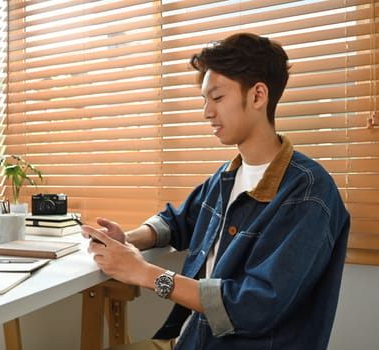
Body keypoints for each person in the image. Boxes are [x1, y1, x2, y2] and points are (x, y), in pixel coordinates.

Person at [82, 32, 350, 350]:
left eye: (217, 98)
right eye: (204, 100)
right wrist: (128, 239)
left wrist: (144, 273)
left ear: (258, 96)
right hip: (191, 340)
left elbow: (255, 306)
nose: (207, 112)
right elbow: (178, 221)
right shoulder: (227, 177)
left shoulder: (308, 193)